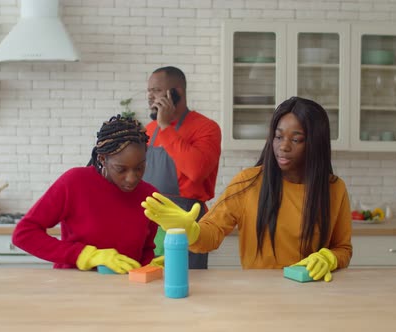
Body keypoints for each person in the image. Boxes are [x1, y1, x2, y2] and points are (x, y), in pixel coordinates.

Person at [143, 97, 352, 281]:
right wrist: (190, 230)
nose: (284, 146)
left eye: (296, 139)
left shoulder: (334, 189)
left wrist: (330, 257)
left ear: (316, 143)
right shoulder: (248, 183)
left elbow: (343, 248)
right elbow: (211, 234)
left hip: (313, 293)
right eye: (278, 137)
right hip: (259, 293)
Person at [12, 115, 160, 273]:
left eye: (139, 168)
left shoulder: (149, 196)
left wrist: (151, 267)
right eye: (121, 169)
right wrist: (85, 255)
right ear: (103, 159)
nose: (132, 178)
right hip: (75, 287)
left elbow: (146, 250)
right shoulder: (74, 183)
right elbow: (24, 233)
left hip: (126, 290)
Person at [143, 66, 222, 269]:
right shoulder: (148, 130)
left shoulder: (206, 128)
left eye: (157, 90)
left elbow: (196, 171)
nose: (150, 96)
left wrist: (165, 127)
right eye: (149, 91)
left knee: (189, 282)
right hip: (150, 218)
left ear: (176, 92)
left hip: (185, 219)